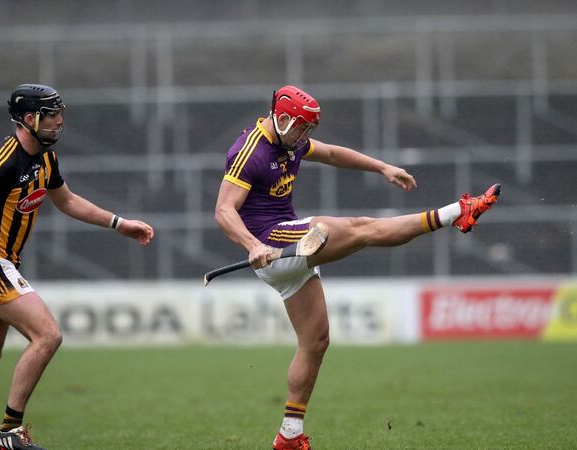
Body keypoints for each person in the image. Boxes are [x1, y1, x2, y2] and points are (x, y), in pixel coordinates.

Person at [214, 85, 500, 449]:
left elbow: (332, 153)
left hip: (291, 252)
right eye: (302, 129)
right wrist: (253, 245)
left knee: (315, 342)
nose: (306, 137)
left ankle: (289, 434)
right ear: (282, 118)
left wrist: (382, 166)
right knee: (365, 228)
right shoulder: (249, 151)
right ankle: (457, 212)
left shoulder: (290, 139)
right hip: (272, 243)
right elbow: (223, 211)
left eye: (308, 130)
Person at [0, 84, 154, 450]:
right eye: (52, 114)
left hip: (2, 261)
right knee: (48, 336)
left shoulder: (45, 157)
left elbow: (67, 201)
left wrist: (120, 223)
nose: (60, 121)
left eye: (60, 113)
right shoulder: (2, 161)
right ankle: (9, 431)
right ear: (29, 119)